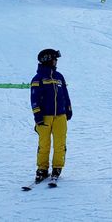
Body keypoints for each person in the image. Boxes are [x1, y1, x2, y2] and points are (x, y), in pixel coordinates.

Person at [30, 48, 72, 184]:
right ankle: (42, 168)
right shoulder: (38, 79)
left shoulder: (59, 77)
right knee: (44, 144)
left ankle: (57, 167)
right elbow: (34, 98)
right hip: (45, 117)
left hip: (60, 116)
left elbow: (65, 94)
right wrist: (38, 116)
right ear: (48, 60)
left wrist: (68, 109)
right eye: (54, 59)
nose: (56, 61)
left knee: (60, 143)